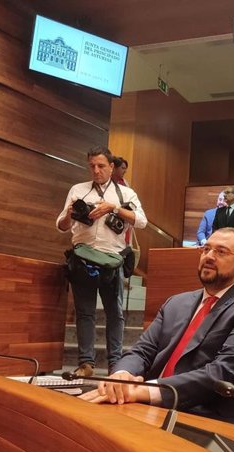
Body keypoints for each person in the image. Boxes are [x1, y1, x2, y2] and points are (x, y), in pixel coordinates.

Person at [81, 227, 234, 427]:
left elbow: (223, 373)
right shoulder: (175, 303)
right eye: (206, 249)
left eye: (221, 251)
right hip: (151, 408)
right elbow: (141, 351)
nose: (209, 256)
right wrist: (122, 376)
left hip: (209, 418)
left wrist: (143, 391)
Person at [57, 146, 147, 376]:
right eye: (92, 166)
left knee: (114, 313)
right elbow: (61, 226)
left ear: (112, 167)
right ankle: (86, 363)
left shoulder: (126, 194)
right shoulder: (78, 190)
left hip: (112, 260)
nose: (96, 171)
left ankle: (115, 363)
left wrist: (113, 208)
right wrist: (70, 212)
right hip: (83, 257)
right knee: (84, 312)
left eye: (101, 166)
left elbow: (141, 222)